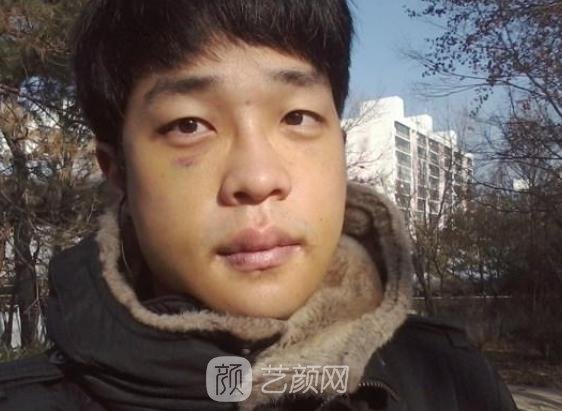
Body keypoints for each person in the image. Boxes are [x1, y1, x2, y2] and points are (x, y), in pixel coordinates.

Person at [0, 1, 517, 410]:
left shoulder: (451, 380)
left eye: (296, 117)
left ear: (339, 149)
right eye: (188, 125)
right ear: (117, 171)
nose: (258, 178)